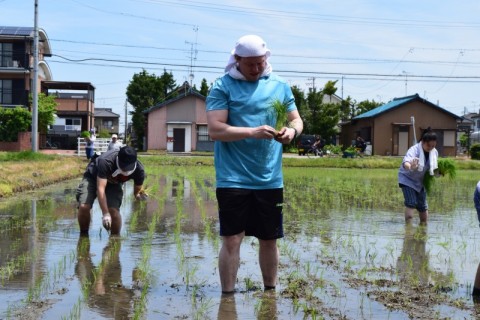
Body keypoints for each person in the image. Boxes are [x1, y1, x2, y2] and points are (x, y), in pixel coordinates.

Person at [206, 34, 303, 294]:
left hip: (269, 178)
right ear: (237, 60)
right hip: (232, 177)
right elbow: (215, 130)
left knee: (269, 239)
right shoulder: (222, 86)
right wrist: (252, 132)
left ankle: (270, 292)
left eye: (260, 63)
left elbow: (297, 120)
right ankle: (227, 297)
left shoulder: (280, 85)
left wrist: (291, 132)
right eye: (251, 64)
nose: (257, 69)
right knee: (232, 239)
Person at [76, 146, 146, 235]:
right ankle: (84, 236)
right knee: (84, 206)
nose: (125, 169)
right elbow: (100, 188)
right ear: (118, 159)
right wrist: (105, 214)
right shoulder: (105, 161)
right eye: (123, 166)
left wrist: (139, 196)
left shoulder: (139, 171)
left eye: (128, 167)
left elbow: (137, 192)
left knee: (114, 212)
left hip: (114, 183)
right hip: (93, 177)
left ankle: (115, 240)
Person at [397, 128, 438, 224]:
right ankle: (408, 230)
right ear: (423, 142)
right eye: (428, 145)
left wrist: (439, 173)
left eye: (433, 145)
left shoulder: (434, 152)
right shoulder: (414, 150)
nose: (431, 148)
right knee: (411, 203)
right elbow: (406, 163)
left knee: (423, 207)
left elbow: (434, 169)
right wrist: (411, 166)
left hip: (421, 182)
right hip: (407, 180)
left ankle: (423, 229)